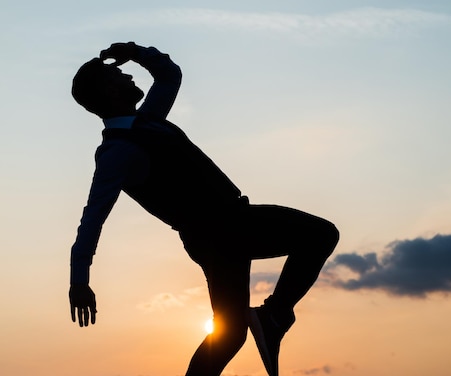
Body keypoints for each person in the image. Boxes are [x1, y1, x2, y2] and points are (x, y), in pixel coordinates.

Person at [68, 41, 339, 376]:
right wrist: (79, 279)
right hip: (223, 228)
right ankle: (274, 316)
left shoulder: (148, 121)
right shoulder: (117, 152)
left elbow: (169, 75)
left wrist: (135, 51)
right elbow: (92, 218)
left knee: (229, 336)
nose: (127, 75)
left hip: (219, 233)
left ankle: (271, 318)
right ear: (110, 91)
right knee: (320, 234)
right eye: (119, 74)